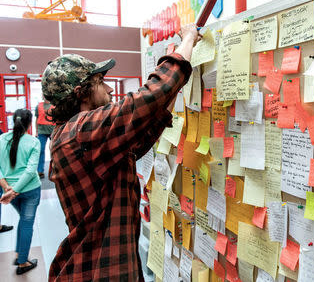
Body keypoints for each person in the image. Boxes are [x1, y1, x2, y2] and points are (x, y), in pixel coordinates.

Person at [42, 24, 200, 281]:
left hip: (101, 266)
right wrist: (189, 38)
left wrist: (173, 87)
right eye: (100, 83)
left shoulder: (75, 136)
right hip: (97, 272)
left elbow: (143, 133)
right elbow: (150, 96)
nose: (110, 90)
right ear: (81, 93)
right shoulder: (82, 132)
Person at [0, 108, 41, 275]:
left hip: (10, 191)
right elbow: (31, 171)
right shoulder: (33, 142)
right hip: (30, 191)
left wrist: (6, 188)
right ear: (30, 123)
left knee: (24, 220)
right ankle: (23, 263)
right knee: (26, 222)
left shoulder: (1, 139)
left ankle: (19, 254)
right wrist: (15, 191)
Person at [35, 98, 55, 178]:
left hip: (52, 131)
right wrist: (36, 131)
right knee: (41, 150)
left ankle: (55, 170)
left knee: (54, 150)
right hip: (41, 131)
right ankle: (40, 171)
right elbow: (37, 119)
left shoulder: (54, 105)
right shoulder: (38, 106)